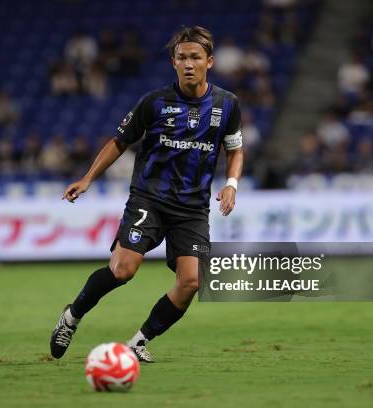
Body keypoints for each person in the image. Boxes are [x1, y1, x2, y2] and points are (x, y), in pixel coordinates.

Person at [49, 26, 244, 362]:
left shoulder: (227, 105)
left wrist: (231, 184)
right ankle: (72, 315)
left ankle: (137, 343)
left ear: (209, 62)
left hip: (193, 208)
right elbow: (118, 141)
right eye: (181, 57)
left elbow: (235, 149)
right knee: (123, 270)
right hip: (149, 198)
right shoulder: (155, 103)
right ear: (173, 62)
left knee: (192, 281)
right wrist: (88, 178)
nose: (188, 63)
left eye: (195, 57)